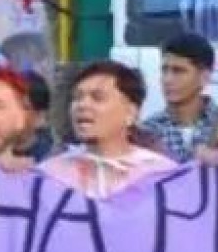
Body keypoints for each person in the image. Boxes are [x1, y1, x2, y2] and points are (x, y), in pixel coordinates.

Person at [40, 61, 175, 199]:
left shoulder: (163, 175)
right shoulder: (49, 176)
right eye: (77, 98)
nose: (82, 105)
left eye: (97, 98)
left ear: (131, 113)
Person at [142, 33, 216, 161]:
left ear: (204, 77)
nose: (167, 79)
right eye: (164, 70)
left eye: (178, 71)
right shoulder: (147, 131)